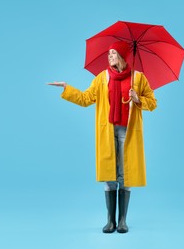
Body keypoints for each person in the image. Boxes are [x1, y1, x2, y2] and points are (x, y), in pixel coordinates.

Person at [47, 41, 157, 233]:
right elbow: (85, 99)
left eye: (113, 53)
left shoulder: (137, 79)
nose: (110, 57)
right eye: (109, 54)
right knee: (109, 174)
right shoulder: (101, 78)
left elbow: (153, 103)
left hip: (128, 132)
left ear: (122, 56)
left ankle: (122, 221)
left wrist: (138, 99)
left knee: (126, 174)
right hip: (107, 131)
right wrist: (67, 88)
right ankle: (110, 221)